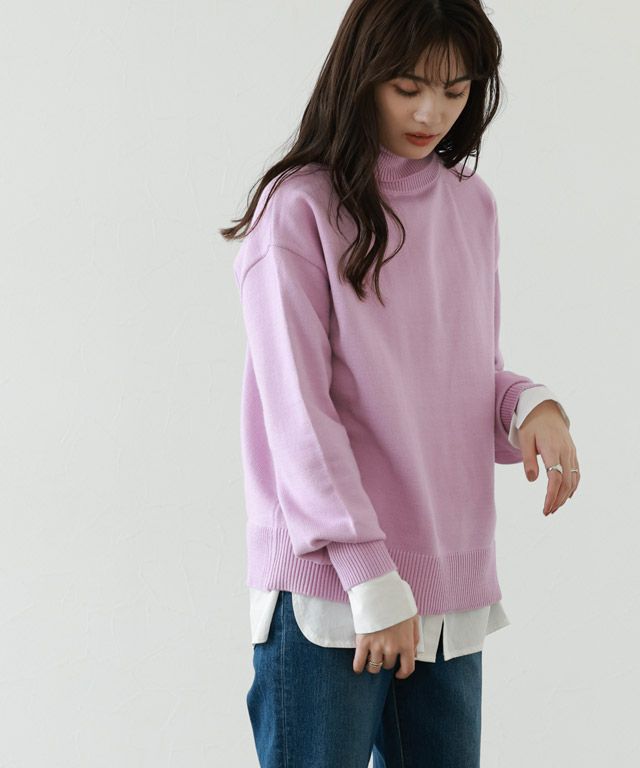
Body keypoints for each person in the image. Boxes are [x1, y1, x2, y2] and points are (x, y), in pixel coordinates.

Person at [220, 1, 580, 765]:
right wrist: (369, 575)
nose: (431, 114)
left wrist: (528, 407)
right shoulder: (298, 210)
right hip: (329, 590)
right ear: (362, 76)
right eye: (408, 86)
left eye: (455, 91)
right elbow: (298, 414)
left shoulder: (471, 205)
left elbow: (458, 377)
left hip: (448, 588)